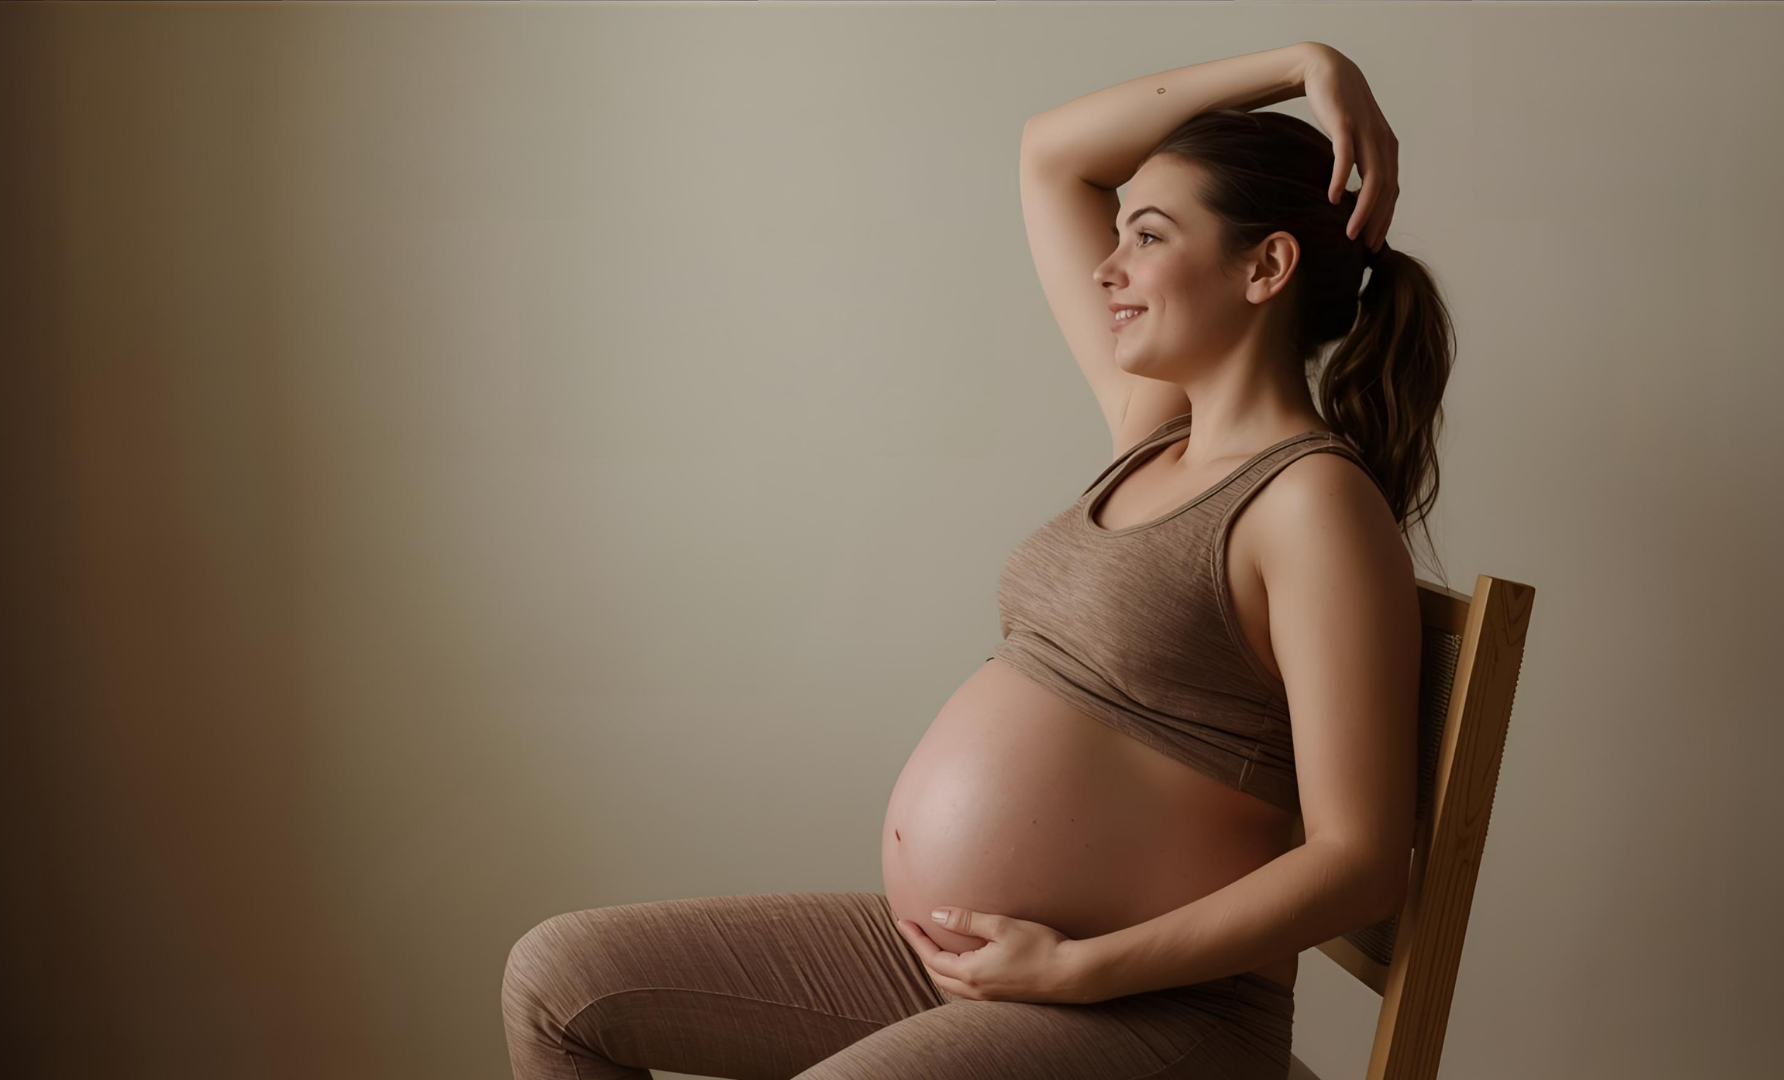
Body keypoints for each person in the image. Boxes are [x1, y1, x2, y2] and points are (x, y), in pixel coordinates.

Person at [503, 40, 1453, 1080]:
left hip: (1159, 1010)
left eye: (1146, 235)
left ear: (1265, 267)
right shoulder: (1153, 435)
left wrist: (1080, 970)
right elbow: (1054, 155)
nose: (1107, 266)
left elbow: (1360, 862)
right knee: (562, 982)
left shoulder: (1311, 504)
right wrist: (1302, 63)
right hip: (982, 968)